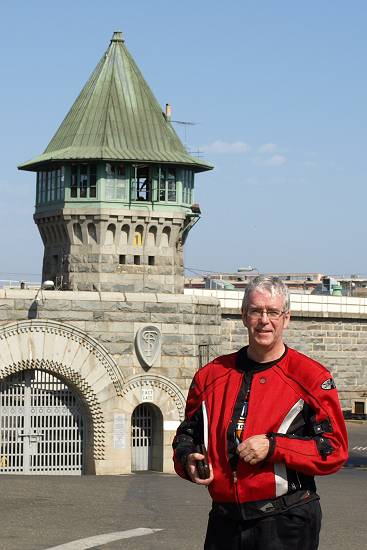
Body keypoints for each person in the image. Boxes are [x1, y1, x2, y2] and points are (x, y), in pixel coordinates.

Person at [173, 276, 348, 550]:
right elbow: (187, 434)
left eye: (273, 312)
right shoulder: (210, 376)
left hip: (286, 521)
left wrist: (274, 446)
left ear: (286, 318)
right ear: (244, 316)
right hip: (225, 520)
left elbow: (334, 450)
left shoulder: (311, 377)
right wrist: (187, 459)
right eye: (256, 311)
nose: (264, 320)